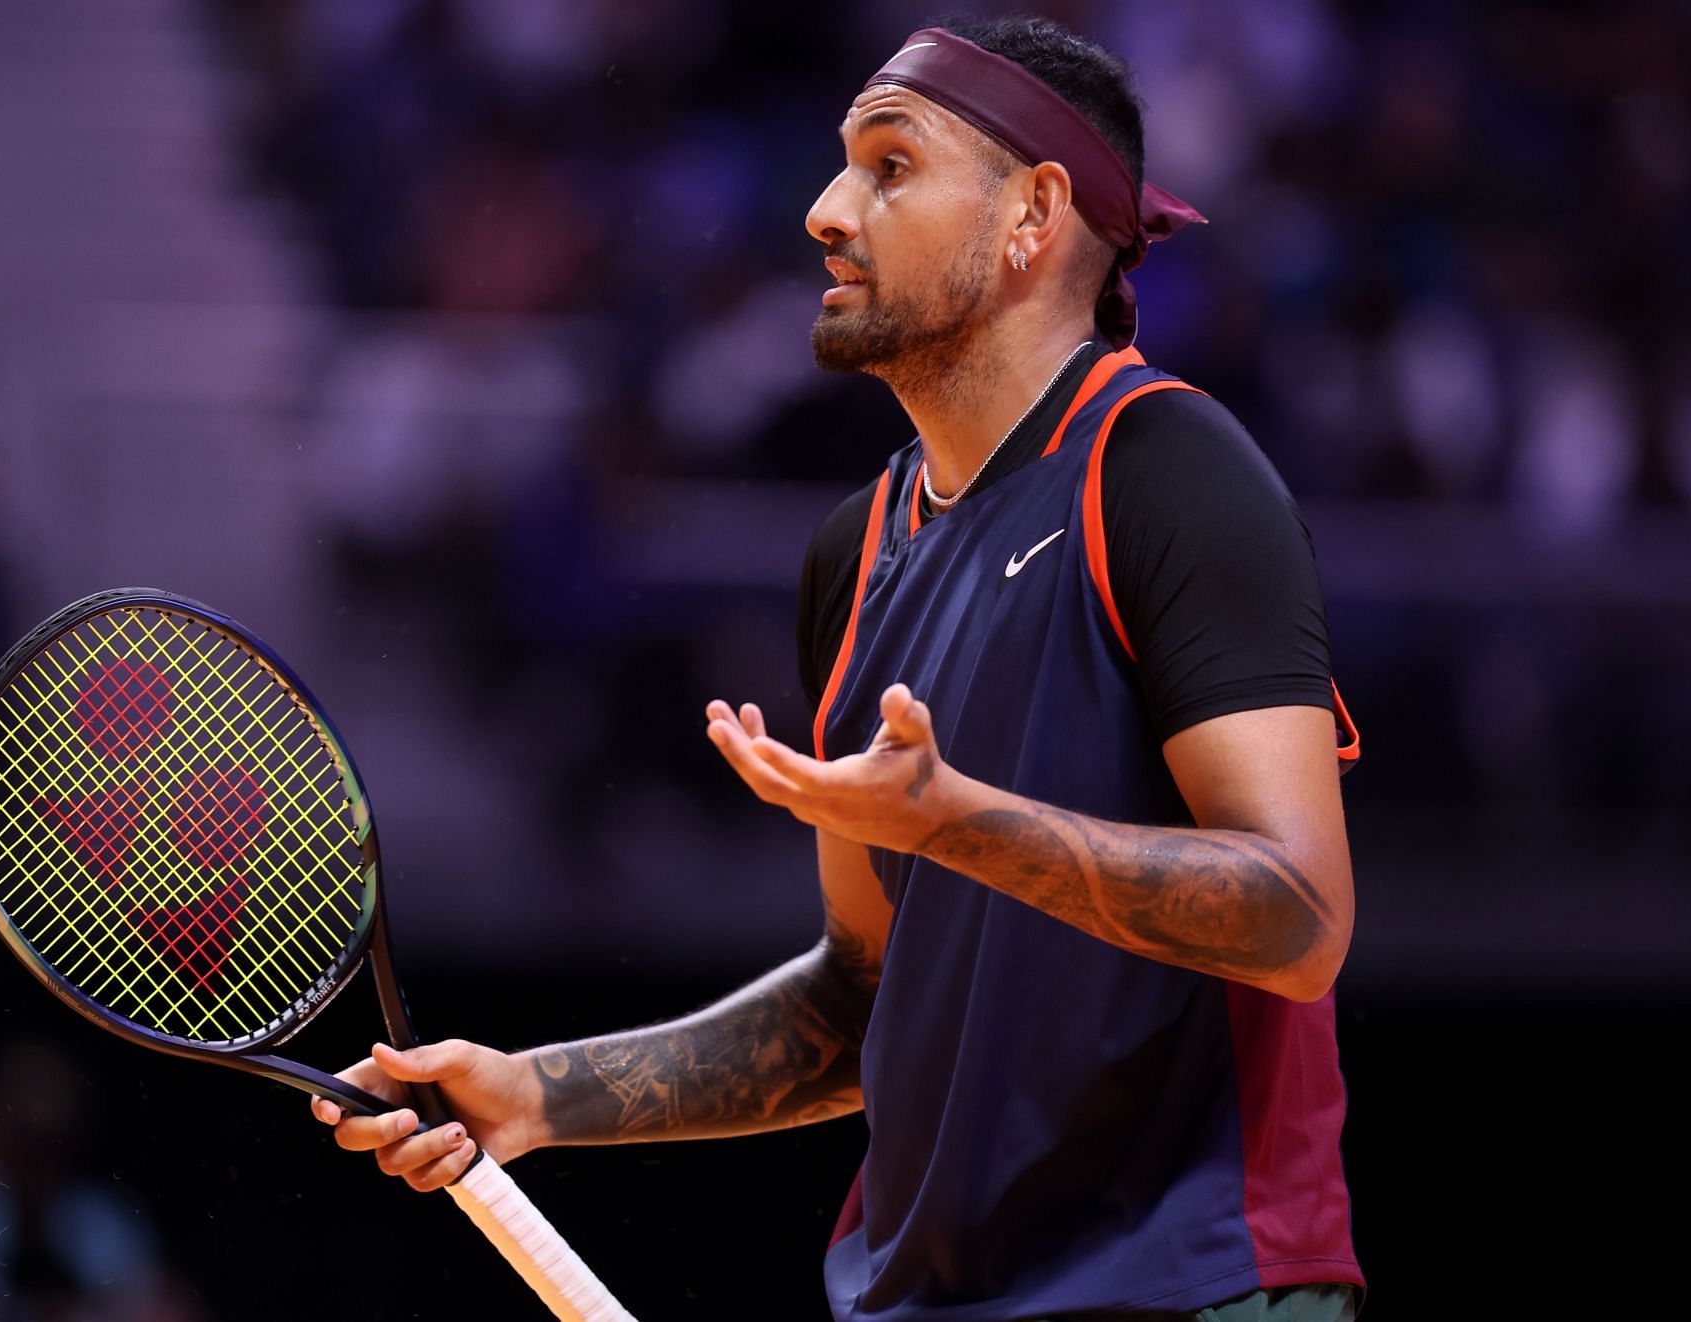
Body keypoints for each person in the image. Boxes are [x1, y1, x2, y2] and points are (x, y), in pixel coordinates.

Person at [311, 17, 1366, 1321]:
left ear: (1034, 212)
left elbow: (1301, 919)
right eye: (839, 165)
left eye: (891, 166)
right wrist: (540, 1094)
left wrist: (962, 824)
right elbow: (856, 1004)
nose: (824, 211)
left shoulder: (1168, 473)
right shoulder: (854, 550)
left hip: (1190, 1290)